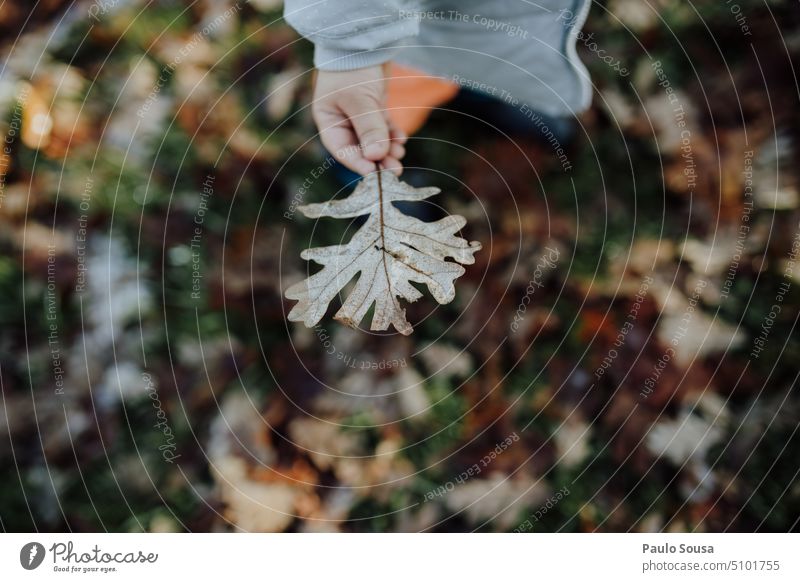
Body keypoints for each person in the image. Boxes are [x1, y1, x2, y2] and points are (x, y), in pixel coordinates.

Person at [283, 0, 591, 176]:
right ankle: (363, 181)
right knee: (366, 126)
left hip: (491, 37)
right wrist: (349, 48)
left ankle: (481, 94)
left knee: (478, 68)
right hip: (408, 39)